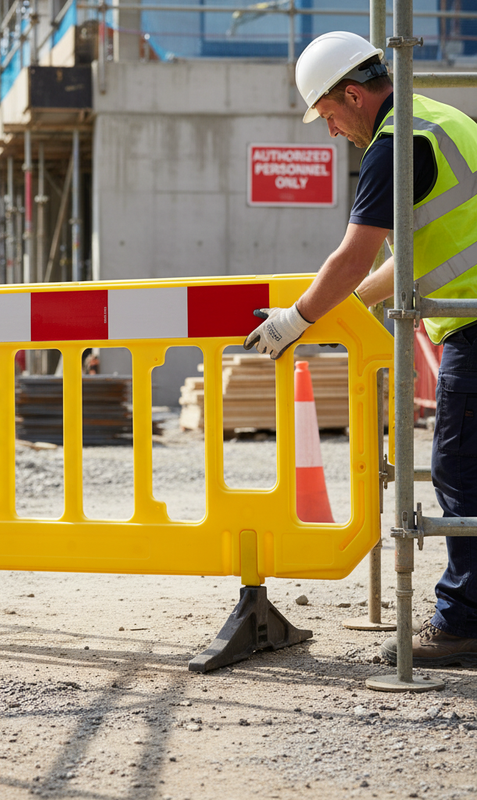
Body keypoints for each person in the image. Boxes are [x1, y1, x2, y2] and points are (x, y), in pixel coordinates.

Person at [244, 31, 477, 667]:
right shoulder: (441, 120)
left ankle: (462, 625)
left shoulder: (393, 146)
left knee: (459, 475)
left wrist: (295, 319)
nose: (330, 131)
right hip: (469, 313)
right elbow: (417, 252)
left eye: (328, 115)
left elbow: (355, 254)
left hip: (472, 326)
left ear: (352, 94)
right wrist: (344, 310)